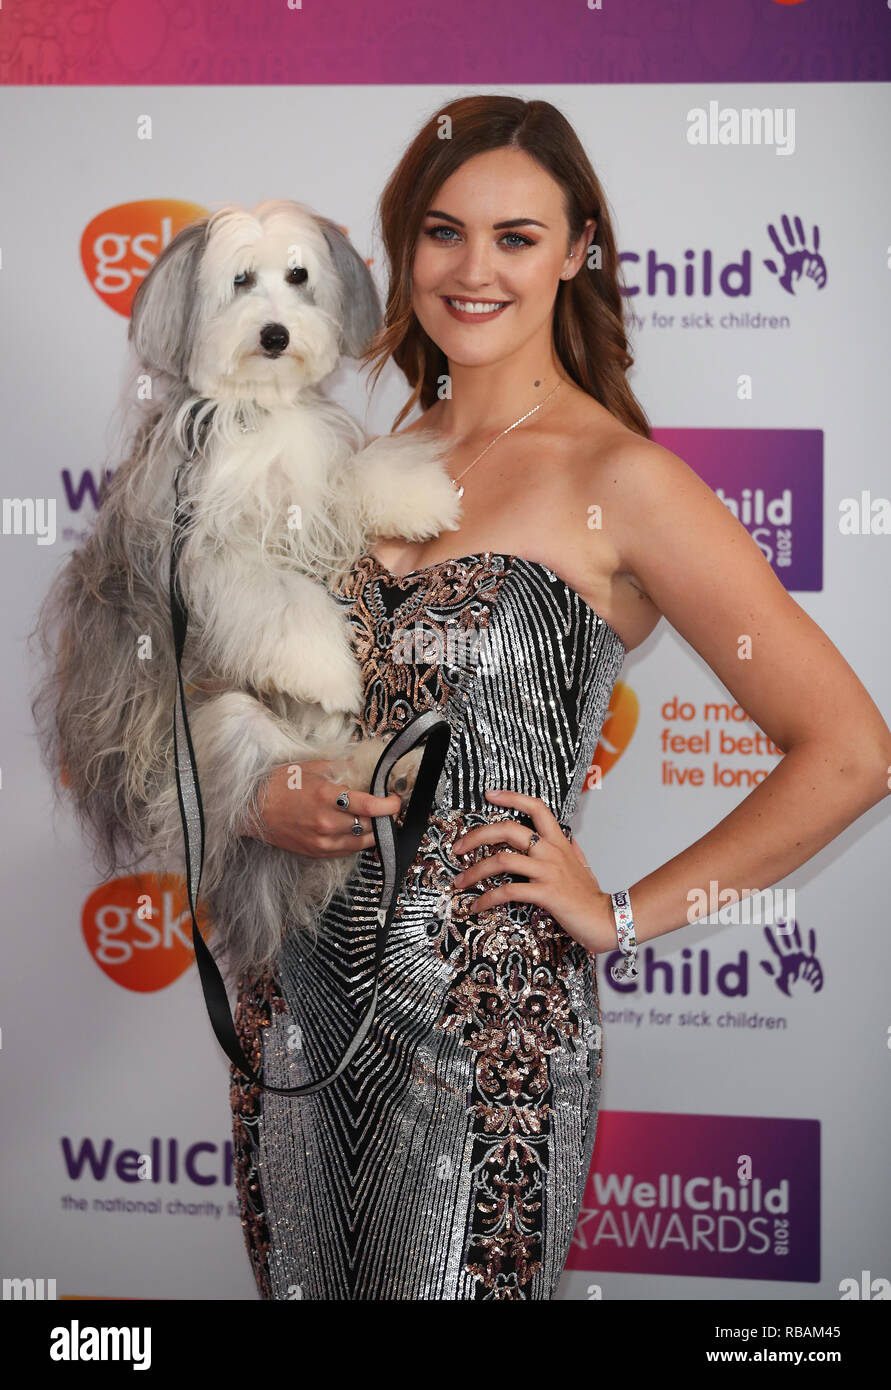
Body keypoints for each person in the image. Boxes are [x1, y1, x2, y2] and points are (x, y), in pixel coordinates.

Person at [229, 95, 891, 1301]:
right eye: (442, 232)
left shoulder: (621, 479)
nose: (473, 270)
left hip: (485, 1027)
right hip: (298, 1004)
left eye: (516, 237)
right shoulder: (354, 467)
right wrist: (261, 789)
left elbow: (849, 749)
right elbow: (249, 709)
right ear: (403, 249)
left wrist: (626, 913)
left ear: (580, 249)